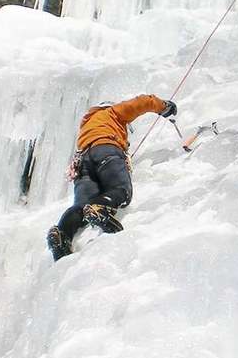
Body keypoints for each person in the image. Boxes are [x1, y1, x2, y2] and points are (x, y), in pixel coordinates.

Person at [46, 95, 176, 261]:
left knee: (81, 206)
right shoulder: (113, 112)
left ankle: (62, 232)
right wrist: (164, 106)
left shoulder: (87, 126)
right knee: (121, 190)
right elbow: (142, 102)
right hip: (106, 150)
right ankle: (100, 208)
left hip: (83, 162)